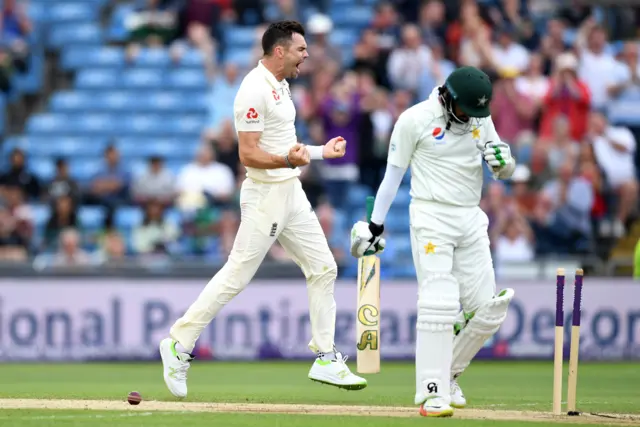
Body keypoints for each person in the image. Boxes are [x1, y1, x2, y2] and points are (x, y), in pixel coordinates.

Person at [159, 20, 367, 398]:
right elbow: (249, 153)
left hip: (290, 192)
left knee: (324, 267)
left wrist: (320, 152)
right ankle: (178, 342)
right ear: (279, 51)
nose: (307, 56)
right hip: (265, 196)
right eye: (301, 49)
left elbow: (287, 146)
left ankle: (325, 357)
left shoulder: (282, 86)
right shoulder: (253, 89)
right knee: (237, 275)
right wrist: (290, 162)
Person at [349, 66, 516, 417]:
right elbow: (392, 176)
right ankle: (432, 391)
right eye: (466, 110)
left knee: (488, 310)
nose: (472, 118)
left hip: (470, 217)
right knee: (439, 302)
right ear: (447, 96)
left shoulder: (478, 118)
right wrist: (375, 225)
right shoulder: (415, 120)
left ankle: (450, 374)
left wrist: (506, 164)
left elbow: (499, 161)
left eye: (477, 112)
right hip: (430, 217)